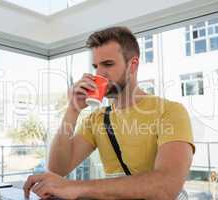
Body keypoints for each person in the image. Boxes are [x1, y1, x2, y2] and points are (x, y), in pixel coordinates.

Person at [24, 26, 195, 200]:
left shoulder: (170, 111)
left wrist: (75, 187)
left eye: (108, 64)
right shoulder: (97, 119)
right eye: (96, 66)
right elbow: (58, 169)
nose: (99, 74)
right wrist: (72, 109)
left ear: (132, 65)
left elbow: (166, 187)